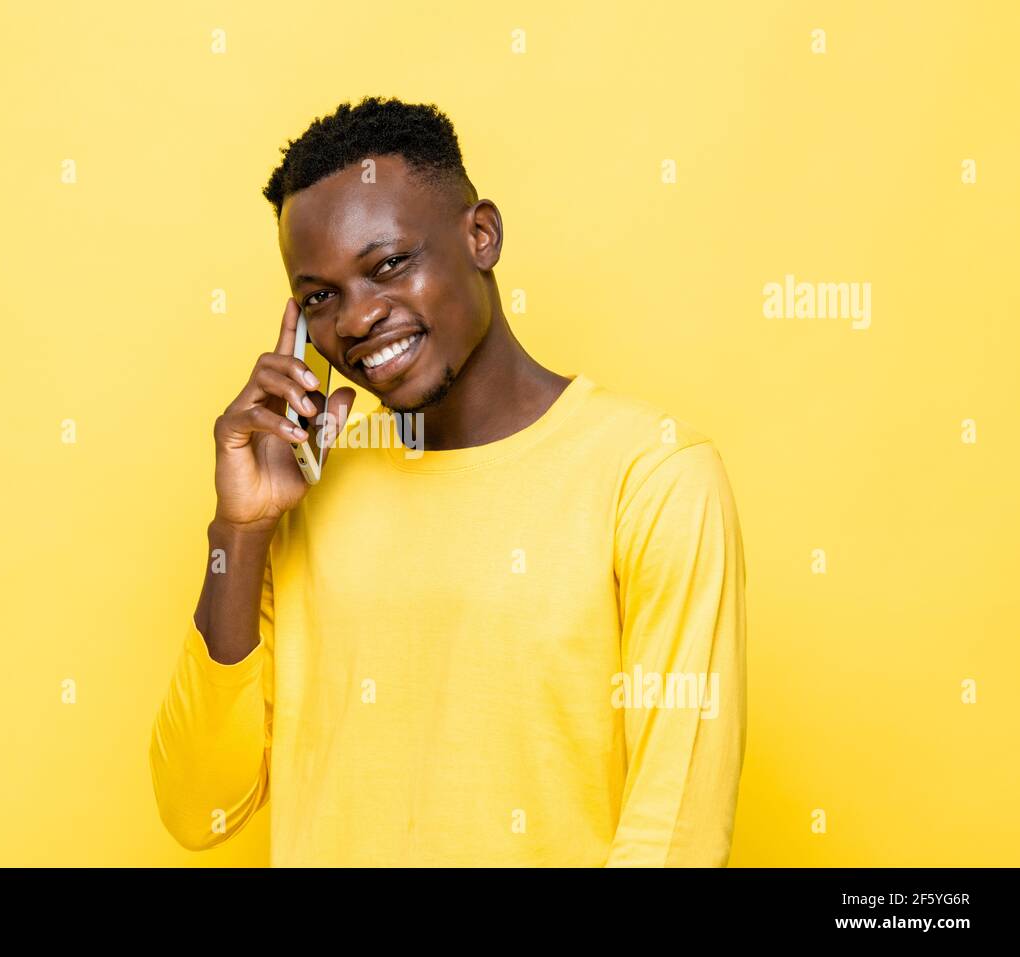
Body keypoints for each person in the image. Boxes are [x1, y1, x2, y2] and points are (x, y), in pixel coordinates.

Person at [149, 96, 747, 866]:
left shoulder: (654, 476)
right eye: (320, 297)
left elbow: (675, 838)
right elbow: (199, 808)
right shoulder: (307, 488)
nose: (357, 319)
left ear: (481, 235)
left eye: (389, 264)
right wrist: (242, 531)